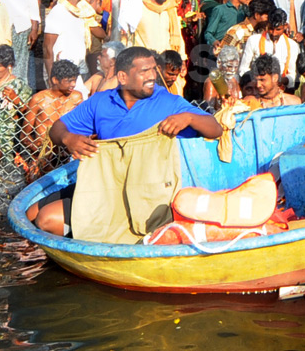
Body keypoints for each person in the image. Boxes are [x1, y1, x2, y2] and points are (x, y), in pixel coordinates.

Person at [26, 45, 221, 236]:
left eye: (154, 69)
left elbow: (215, 129)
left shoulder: (169, 102)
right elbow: (57, 129)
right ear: (122, 77)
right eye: (144, 71)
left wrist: (189, 118)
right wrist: (68, 138)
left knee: (47, 220)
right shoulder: (101, 101)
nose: (152, 76)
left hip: (143, 194)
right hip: (103, 183)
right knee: (30, 214)